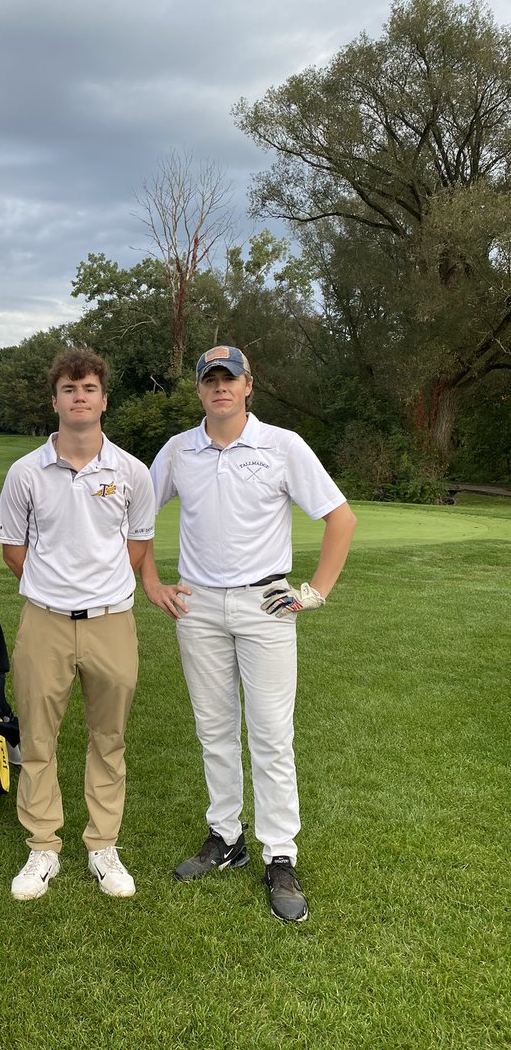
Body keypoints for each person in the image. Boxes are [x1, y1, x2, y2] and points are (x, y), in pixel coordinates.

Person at [141, 345, 356, 922]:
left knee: (269, 734)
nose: (220, 389)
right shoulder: (179, 450)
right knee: (214, 729)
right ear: (199, 391)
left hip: (266, 604)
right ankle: (226, 837)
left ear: (248, 386)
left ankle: (279, 853)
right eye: (210, 380)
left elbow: (341, 518)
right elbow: (136, 515)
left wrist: (314, 591)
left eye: (229, 380)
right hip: (199, 605)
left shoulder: (282, 445)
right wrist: (152, 581)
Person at [0, 349, 156, 901]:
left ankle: (102, 845)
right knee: (38, 740)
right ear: (56, 401)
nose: (79, 397)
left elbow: (137, 545)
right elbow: (13, 550)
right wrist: (54, 589)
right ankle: (43, 846)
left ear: (103, 399)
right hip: (44, 622)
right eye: (69, 389)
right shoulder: (25, 473)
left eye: (89, 387)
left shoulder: (132, 471)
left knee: (108, 739)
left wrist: (97, 589)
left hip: (112, 622)